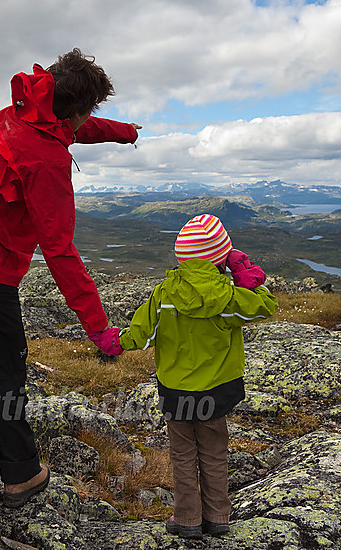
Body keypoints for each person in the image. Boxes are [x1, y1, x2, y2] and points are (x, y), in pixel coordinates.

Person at [0, 48, 140, 507]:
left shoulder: (20, 111)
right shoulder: (46, 160)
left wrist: (122, 133)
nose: (88, 122)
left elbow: (68, 126)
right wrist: (98, 328)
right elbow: (59, 250)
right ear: (78, 109)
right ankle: (21, 473)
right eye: (91, 113)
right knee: (5, 376)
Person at [113, 214, 278, 538]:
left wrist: (114, 340)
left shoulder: (164, 293)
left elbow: (142, 336)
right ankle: (218, 516)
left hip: (176, 392)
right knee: (214, 453)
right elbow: (266, 305)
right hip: (216, 392)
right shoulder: (228, 297)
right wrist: (244, 274)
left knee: (183, 455)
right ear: (221, 257)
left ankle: (187, 519)